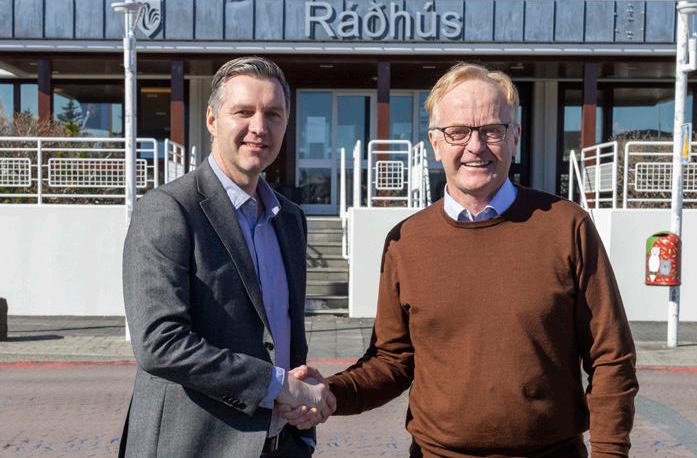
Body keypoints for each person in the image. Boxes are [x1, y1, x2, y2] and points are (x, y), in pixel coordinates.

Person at [314, 63, 639, 457]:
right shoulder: (406, 242)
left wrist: (609, 452)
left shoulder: (566, 227)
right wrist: (328, 393)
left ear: (514, 136)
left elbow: (611, 357)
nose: (475, 146)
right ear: (436, 143)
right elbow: (392, 361)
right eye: (458, 132)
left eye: (492, 130)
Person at [120, 56, 335, 458]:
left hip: (280, 445)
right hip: (194, 447)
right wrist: (278, 386)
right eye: (244, 112)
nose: (260, 127)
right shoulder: (169, 210)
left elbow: (283, 340)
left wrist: (301, 405)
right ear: (212, 119)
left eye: (274, 114)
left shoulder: (290, 219)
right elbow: (160, 344)